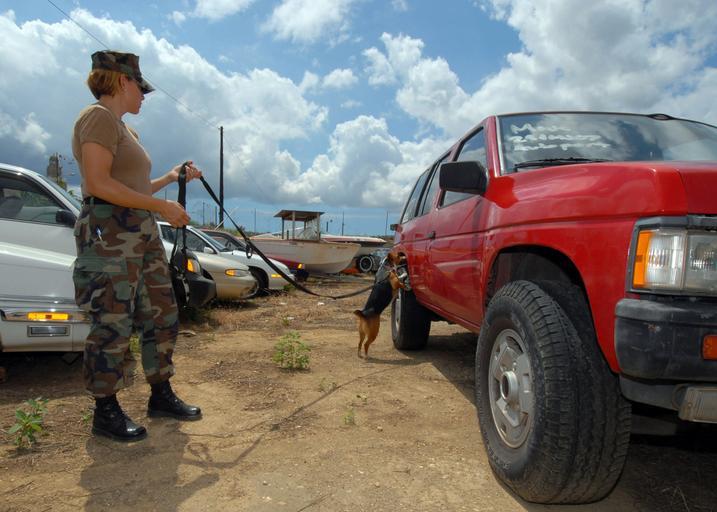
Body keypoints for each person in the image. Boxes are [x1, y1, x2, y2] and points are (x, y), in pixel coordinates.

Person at [72, 50, 203, 442]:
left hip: (139, 230)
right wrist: (161, 207)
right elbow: (98, 183)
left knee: (161, 313)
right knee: (112, 320)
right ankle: (105, 408)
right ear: (121, 82)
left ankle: (160, 393)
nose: (144, 95)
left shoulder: (128, 130)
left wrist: (169, 177)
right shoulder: (96, 117)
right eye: (140, 87)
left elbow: (134, 188)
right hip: (110, 232)